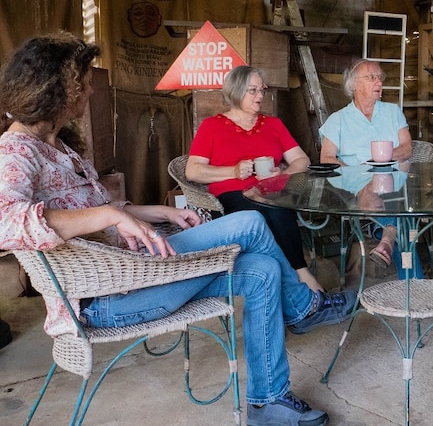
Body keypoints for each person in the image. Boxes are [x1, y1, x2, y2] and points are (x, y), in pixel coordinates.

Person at [0, 33, 357, 426]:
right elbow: (6, 222)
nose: (88, 89)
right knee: (252, 221)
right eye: (82, 81)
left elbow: (106, 213)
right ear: (56, 88)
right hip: (105, 300)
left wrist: (159, 212)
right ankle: (306, 307)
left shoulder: (59, 147)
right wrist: (108, 216)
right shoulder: (16, 150)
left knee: (263, 271)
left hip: (138, 272)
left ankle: (269, 400)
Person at [186, 65, 324, 293]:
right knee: (274, 209)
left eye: (261, 90)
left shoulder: (273, 125)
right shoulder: (212, 126)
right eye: (253, 90)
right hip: (230, 198)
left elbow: (301, 159)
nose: (260, 95)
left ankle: (289, 283)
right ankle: (302, 275)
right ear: (236, 91)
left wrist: (284, 173)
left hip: (271, 192)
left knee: (277, 205)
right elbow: (193, 170)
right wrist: (233, 171)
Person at [319, 59, 413, 270]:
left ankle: (384, 236)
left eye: (380, 77)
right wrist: (357, 175)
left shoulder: (392, 111)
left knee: (392, 193)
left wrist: (384, 160)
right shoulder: (338, 119)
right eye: (371, 77)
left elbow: (407, 148)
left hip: (395, 181)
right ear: (353, 85)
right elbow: (326, 158)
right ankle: (392, 245)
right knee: (407, 222)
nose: (378, 82)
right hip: (356, 186)